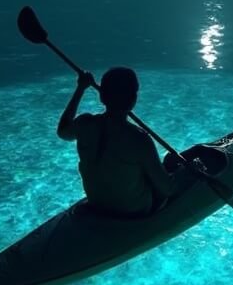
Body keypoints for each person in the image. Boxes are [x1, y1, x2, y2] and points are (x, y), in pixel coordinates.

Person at [57, 66, 177, 217]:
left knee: (164, 163)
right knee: (172, 168)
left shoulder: (84, 124)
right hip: (133, 211)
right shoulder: (139, 139)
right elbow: (168, 190)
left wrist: (80, 88)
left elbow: (63, 132)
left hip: (96, 204)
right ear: (133, 100)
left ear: (101, 97)